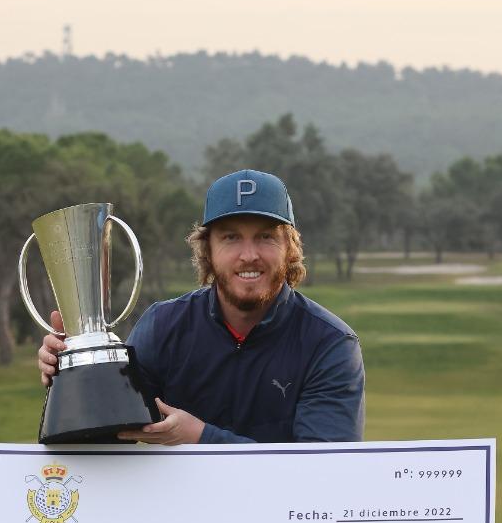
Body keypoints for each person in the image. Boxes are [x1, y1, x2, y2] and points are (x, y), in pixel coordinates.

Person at [38, 169, 364, 446]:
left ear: (289, 249)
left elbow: (324, 476)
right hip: (177, 518)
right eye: (231, 238)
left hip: (284, 521)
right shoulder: (163, 326)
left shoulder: (330, 343)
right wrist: (74, 374)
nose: (249, 255)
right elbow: (105, 438)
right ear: (206, 249)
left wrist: (201, 438)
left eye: (265, 237)